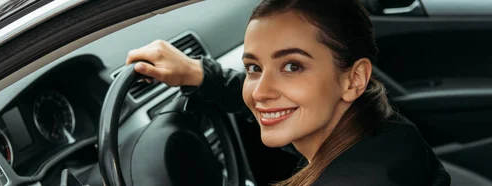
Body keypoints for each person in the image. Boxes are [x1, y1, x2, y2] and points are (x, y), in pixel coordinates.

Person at [126, 0, 450, 185]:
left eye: (292, 66)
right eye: (253, 67)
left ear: (354, 79)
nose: (260, 92)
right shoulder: (380, 127)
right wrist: (201, 74)